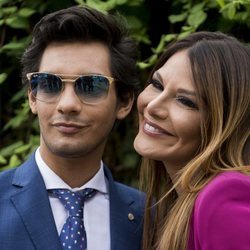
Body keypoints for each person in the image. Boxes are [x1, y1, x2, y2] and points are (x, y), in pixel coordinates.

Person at [0, 6, 145, 250]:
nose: (67, 105)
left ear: (124, 102)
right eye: (49, 83)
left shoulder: (151, 218)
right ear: (32, 98)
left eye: (91, 85)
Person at [133, 31, 250, 250]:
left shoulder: (223, 197)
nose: (153, 106)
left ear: (223, 123)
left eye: (185, 101)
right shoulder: (181, 203)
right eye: (157, 85)